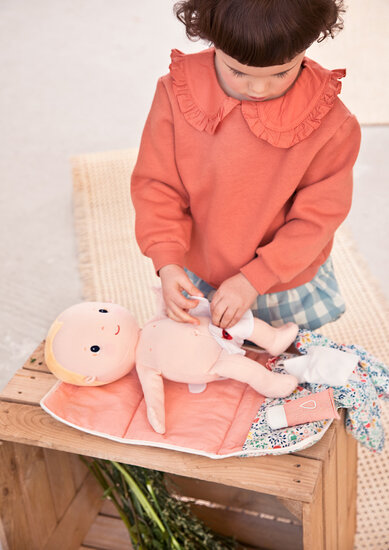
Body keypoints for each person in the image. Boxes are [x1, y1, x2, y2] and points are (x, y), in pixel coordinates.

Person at [131, 0, 361, 332]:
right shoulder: (175, 93)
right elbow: (158, 186)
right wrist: (166, 261)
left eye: (281, 72)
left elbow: (317, 219)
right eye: (238, 71)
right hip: (201, 269)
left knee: (283, 368)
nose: (258, 88)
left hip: (282, 279)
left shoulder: (332, 124)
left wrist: (254, 280)